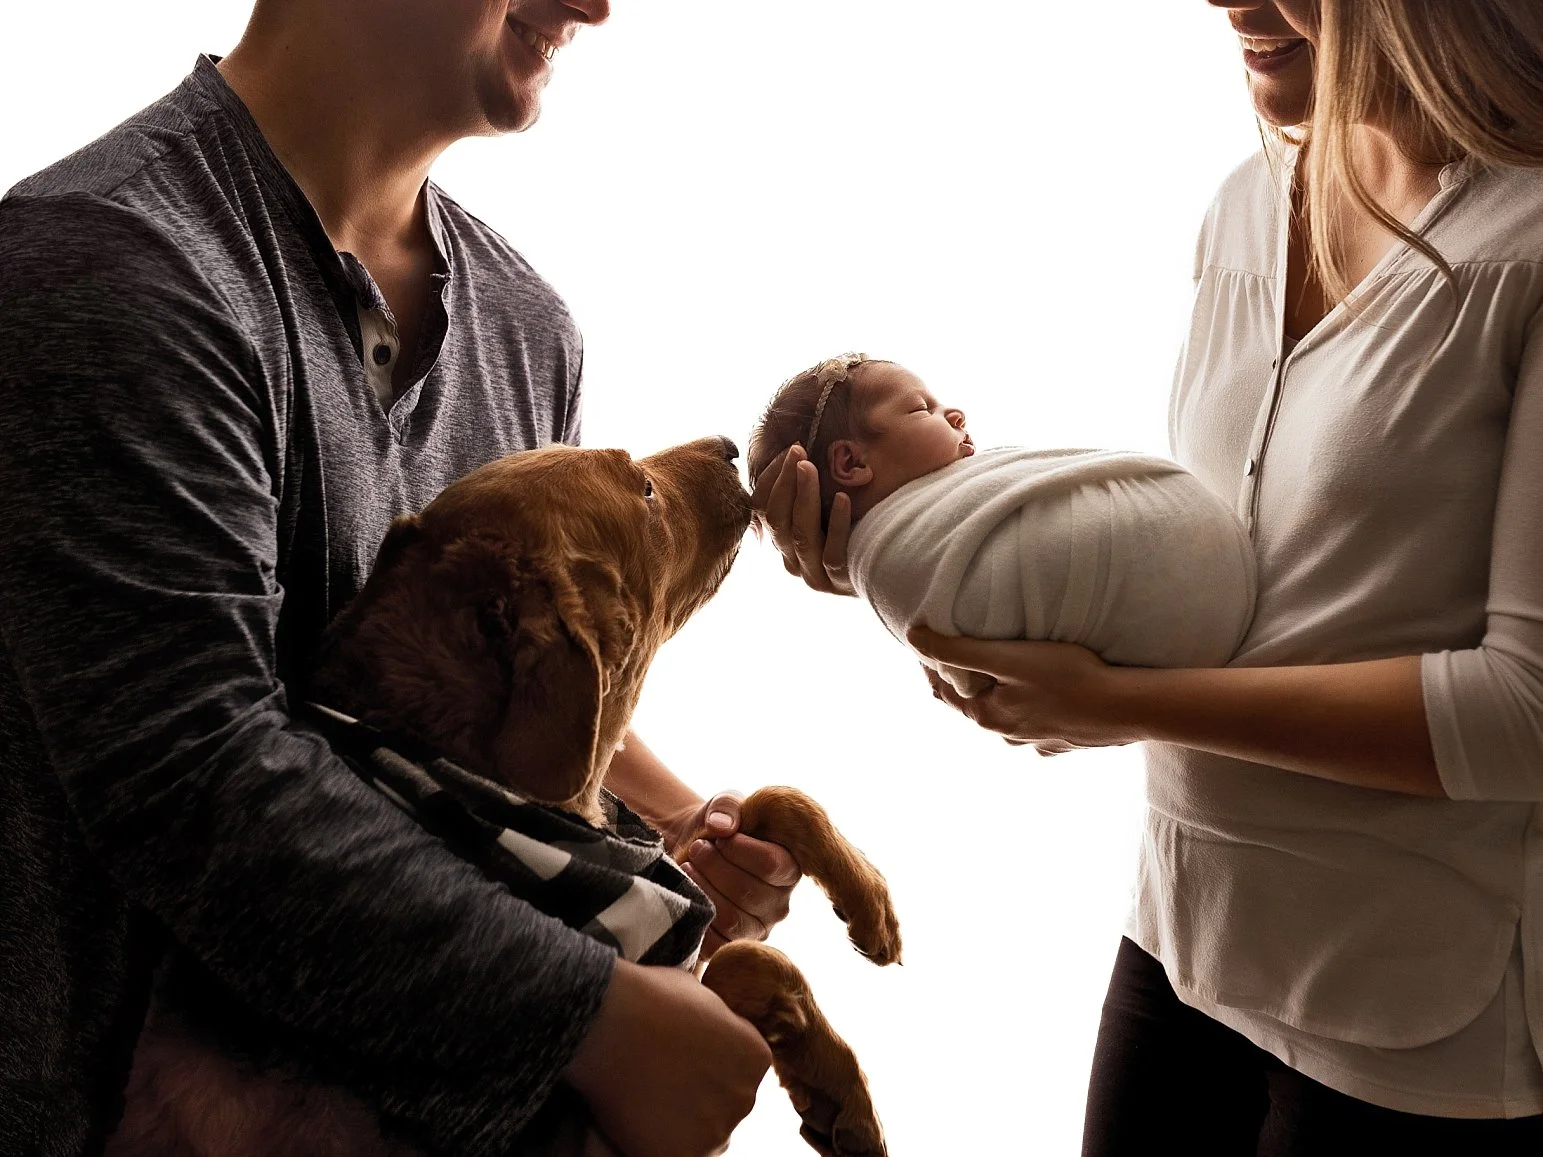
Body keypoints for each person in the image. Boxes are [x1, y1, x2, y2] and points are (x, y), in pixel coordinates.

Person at [0, 3, 803, 1155]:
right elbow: (188, 774)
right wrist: (594, 1017)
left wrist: (665, 824)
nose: (595, 5)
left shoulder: (526, 329)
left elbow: (474, 700)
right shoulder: (105, 265)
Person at [755, 0, 1543, 1151]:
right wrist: (896, 557)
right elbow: (1229, 571)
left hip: (1412, 1012)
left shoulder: (1523, 244)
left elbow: (1523, 710)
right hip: (1183, 930)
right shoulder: (1244, 204)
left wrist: (1111, 703)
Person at [747, 352, 1256, 695]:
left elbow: (971, 684)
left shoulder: (961, 506)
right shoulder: (895, 559)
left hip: (1205, 641)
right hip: (1205, 621)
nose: (955, 413)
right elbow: (965, 658)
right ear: (852, 464)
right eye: (922, 407)